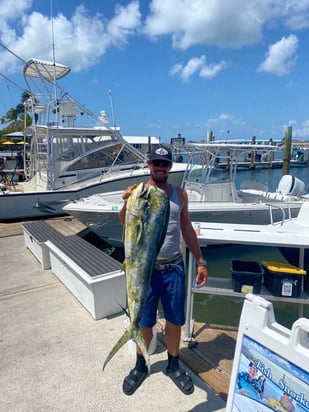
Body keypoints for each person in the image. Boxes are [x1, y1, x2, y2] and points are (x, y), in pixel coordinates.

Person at [119, 144, 208, 396]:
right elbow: (125, 224)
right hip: (144, 271)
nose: (160, 168)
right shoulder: (139, 191)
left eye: (165, 164)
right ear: (149, 165)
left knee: (174, 320)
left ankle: (173, 364)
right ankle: (140, 366)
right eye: (156, 163)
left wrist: (200, 260)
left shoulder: (180, 194)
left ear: (170, 167)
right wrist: (126, 203)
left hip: (174, 267)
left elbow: (187, 228)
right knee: (144, 322)